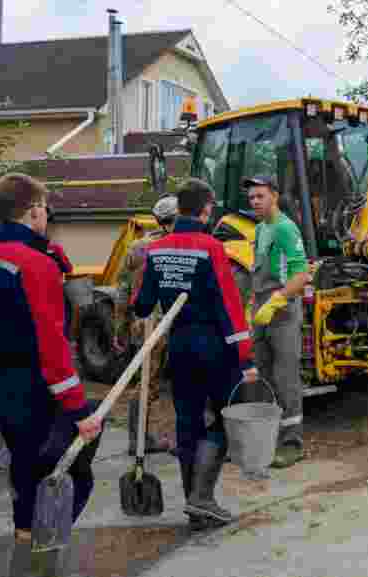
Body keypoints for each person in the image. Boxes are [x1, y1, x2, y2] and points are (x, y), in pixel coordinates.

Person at [0, 173, 103, 553]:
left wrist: (50, 254)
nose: (47, 215)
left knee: (25, 471)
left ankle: (25, 542)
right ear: (33, 211)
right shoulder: (33, 263)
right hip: (35, 387)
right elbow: (51, 343)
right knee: (74, 474)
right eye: (43, 208)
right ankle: (44, 549)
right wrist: (77, 408)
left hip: (0, 385)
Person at [131, 178, 257, 530]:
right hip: (215, 347)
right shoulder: (211, 248)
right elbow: (229, 306)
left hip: (180, 347)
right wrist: (244, 357)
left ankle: (194, 502)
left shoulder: (156, 249)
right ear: (206, 208)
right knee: (226, 418)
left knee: (188, 423)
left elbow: (141, 305)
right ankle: (202, 498)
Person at [243, 174, 311, 469]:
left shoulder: (285, 228)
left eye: (260, 196)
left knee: (285, 379)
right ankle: (268, 438)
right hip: (261, 311)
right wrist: (255, 306)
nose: (254, 201)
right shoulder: (260, 229)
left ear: (275, 196)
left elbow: (301, 275)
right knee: (262, 377)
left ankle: (292, 443)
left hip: (282, 313)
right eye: (251, 198)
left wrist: (275, 302)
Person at [115, 195, 179, 456]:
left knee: (145, 383)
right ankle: (180, 439)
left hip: (143, 324)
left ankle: (137, 439)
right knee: (181, 382)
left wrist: (120, 328)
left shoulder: (136, 248)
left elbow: (122, 290)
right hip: (173, 322)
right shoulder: (178, 245)